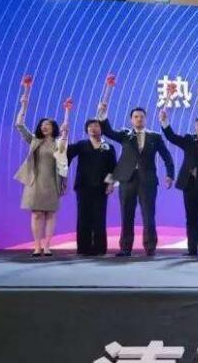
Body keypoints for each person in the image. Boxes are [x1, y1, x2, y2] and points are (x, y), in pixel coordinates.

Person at [97, 103, 174, 257]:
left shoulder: (155, 137)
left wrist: (170, 174)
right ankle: (125, 248)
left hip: (148, 181)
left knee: (148, 215)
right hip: (127, 180)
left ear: (146, 119)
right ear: (131, 120)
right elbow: (107, 131)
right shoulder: (125, 134)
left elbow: (166, 156)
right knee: (126, 215)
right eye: (136, 117)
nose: (139, 119)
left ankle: (150, 247)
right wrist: (102, 114)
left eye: (141, 117)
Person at [13, 95, 67, 257]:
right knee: (36, 214)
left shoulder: (59, 143)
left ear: (53, 128)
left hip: (53, 182)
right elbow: (19, 125)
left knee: (50, 214)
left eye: (47, 125)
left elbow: (63, 163)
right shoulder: (34, 141)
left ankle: (47, 246)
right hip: (35, 182)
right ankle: (37, 246)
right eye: (42, 125)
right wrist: (23, 105)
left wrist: (64, 182)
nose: (44, 127)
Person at [160, 110, 198, 257]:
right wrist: (165, 122)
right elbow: (171, 137)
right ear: (195, 127)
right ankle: (192, 249)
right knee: (191, 218)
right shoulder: (188, 140)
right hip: (189, 185)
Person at [66, 119, 117, 256]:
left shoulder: (108, 147)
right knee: (83, 217)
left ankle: (99, 248)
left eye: (96, 126)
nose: (93, 128)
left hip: (101, 188)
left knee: (99, 217)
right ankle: (84, 248)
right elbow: (66, 154)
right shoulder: (81, 145)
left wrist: (111, 184)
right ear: (87, 130)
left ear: (101, 129)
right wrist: (64, 135)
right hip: (83, 187)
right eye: (90, 126)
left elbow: (113, 168)